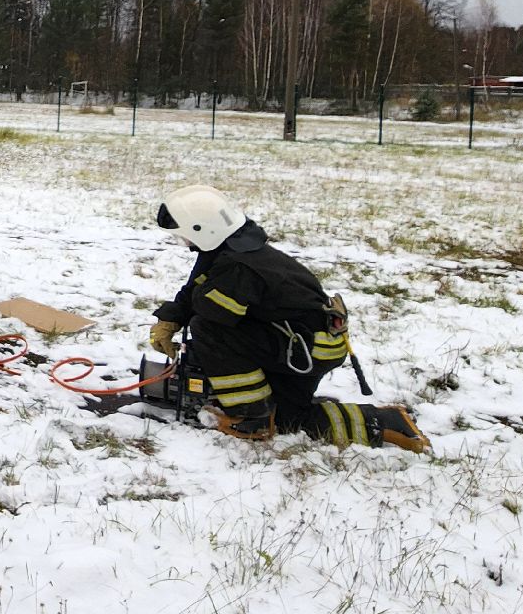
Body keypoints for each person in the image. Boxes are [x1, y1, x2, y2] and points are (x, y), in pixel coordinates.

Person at [149, 184, 428, 452]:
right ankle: (390, 422)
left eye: (184, 235)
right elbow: (199, 285)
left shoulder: (238, 267)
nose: (184, 242)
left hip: (306, 350)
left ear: (203, 230)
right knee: (288, 419)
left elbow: (209, 311)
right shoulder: (235, 249)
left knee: (208, 329)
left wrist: (183, 317)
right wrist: (170, 318)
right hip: (306, 343)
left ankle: (252, 416)